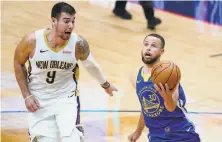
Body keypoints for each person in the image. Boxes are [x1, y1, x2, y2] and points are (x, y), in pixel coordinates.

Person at [14, 2, 117, 142]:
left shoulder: (78, 44)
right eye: (66, 21)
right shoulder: (32, 41)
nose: (71, 26)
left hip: (66, 98)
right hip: (39, 99)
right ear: (53, 21)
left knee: (72, 139)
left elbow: (91, 65)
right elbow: (18, 63)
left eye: (73, 21)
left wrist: (105, 84)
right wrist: (26, 95)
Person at [128, 33, 200, 142]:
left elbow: (171, 107)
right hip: (156, 136)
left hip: (181, 133)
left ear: (161, 52)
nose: (148, 48)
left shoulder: (170, 74)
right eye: (146, 44)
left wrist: (167, 96)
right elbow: (145, 108)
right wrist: (138, 131)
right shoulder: (137, 76)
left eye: (153, 46)